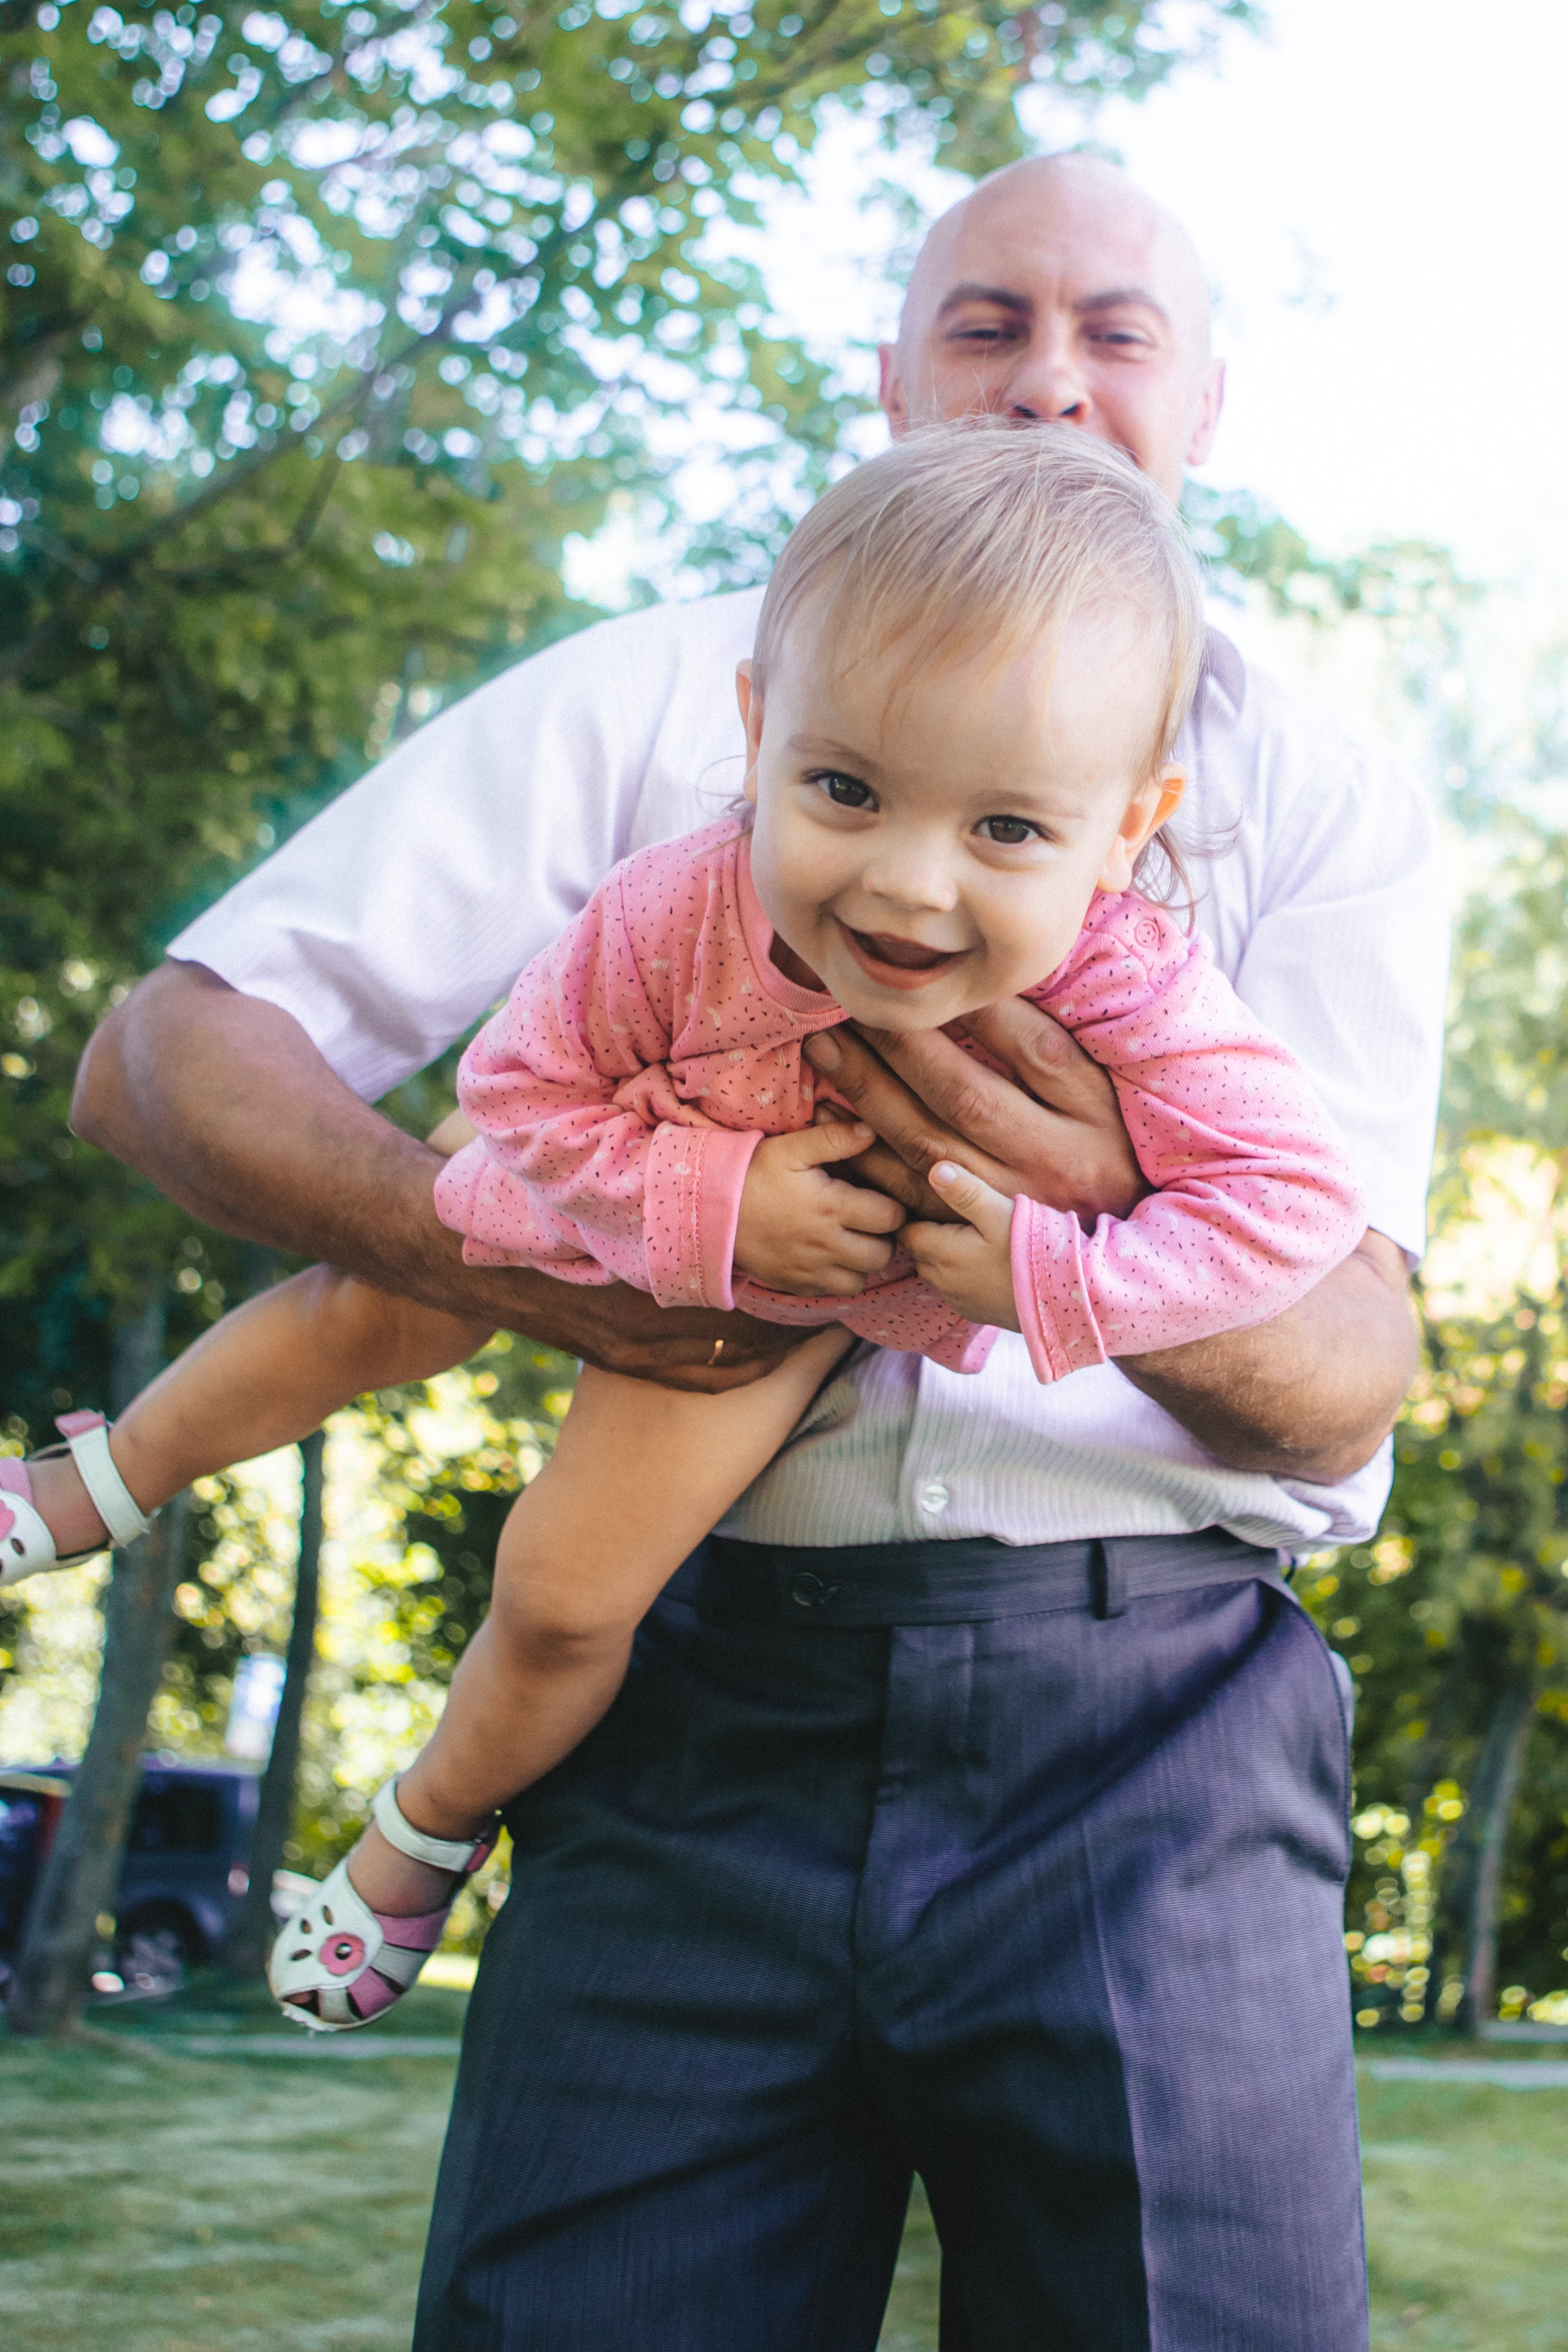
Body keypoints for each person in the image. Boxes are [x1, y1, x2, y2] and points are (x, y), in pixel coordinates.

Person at [71, 155, 1446, 2346]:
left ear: (1204, 404)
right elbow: (162, 1057)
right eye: (985, 322)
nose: (1047, 380)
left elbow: (1352, 1355)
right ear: (887, 372)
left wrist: (1075, 1213)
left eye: (1117, 332)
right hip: (681, 1694)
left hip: (1155, 1715)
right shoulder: (656, 699)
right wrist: (553, 1265)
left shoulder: (1328, 804)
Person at [7, 425, 1365, 2035]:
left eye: (1006, 830)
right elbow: (518, 1082)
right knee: (372, 1303)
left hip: (801, 1299)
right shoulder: (675, 902)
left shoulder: (1136, 984)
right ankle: (100, 1476)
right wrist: (706, 1201)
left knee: (569, 1587)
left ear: (1128, 824)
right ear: (757, 731)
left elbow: (1289, 1207)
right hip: (627, 1152)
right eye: (843, 789)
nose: (909, 889)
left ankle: (424, 1822)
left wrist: (1056, 1275)